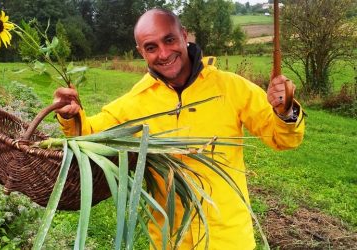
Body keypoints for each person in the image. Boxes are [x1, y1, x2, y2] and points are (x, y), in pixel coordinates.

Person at [53, 8, 305, 250]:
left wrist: (285, 111)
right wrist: (70, 115)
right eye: (151, 47)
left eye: (169, 39)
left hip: (229, 239)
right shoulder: (136, 102)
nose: (163, 53)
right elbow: (89, 133)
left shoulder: (231, 87)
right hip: (170, 241)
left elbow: (281, 139)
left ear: (184, 35)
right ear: (141, 51)